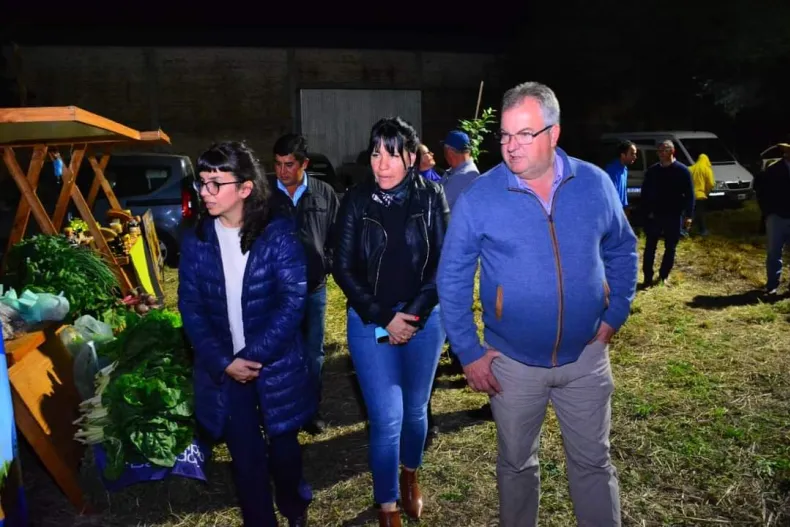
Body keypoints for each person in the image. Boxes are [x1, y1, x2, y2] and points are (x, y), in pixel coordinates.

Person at [437, 81, 638, 527]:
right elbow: (452, 277)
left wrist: (616, 312)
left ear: (554, 133)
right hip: (511, 365)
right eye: (505, 135)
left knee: (594, 463)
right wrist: (468, 351)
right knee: (516, 465)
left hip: (586, 357)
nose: (511, 146)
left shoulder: (594, 184)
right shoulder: (480, 197)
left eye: (525, 134)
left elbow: (622, 247)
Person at [179, 141, 313, 527]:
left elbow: (292, 301)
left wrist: (252, 356)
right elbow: (191, 308)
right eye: (202, 183)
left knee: (284, 450)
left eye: (215, 184)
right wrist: (225, 362)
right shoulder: (197, 240)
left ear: (245, 188)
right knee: (246, 458)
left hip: (275, 364)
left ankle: (293, 504)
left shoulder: (277, 235)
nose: (205, 192)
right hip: (227, 370)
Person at [332, 117, 449, 527]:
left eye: (393, 154)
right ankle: (387, 506)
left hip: (425, 320)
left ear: (412, 157)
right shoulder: (355, 200)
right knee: (386, 417)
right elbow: (342, 267)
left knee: (415, 409)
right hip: (371, 320)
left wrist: (412, 316)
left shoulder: (432, 196)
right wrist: (385, 317)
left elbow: (444, 263)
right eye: (376, 153)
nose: (381, 164)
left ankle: (410, 475)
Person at [270, 133, 340, 435]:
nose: (282, 171)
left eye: (289, 165)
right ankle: (284, 412)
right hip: (277, 293)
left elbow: (337, 235)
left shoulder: (324, 194)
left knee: (313, 354)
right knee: (281, 353)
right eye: (277, 164)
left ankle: (311, 411)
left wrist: (326, 262)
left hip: (313, 289)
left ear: (304, 164)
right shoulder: (265, 197)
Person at [640, 140, 695, 286]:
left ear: (672, 151)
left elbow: (690, 194)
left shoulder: (682, 171)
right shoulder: (653, 171)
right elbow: (645, 193)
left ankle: (663, 275)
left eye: (664, 150)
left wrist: (689, 215)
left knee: (670, 247)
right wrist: (646, 212)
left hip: (674, 214)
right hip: (654, 214)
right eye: (659, 151)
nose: (661, 153)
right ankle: (647, 277)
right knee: (650, 246)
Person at [754, 142, 790, 295]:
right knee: (774, 252)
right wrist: (768, 212)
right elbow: (761, 192)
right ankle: (772, 285)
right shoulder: (773, 169)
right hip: (777, 217)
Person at [440, 130, 480, 210]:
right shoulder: (459, 171)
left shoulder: (463, 176)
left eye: (444, 150)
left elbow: (436, 204)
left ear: (449, 152)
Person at [604, 140, 637, 211]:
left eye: (635, 154)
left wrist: (625, 207)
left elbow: (623, 191)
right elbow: (610, 194)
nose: (635, 157)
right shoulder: (612, 169)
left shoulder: (625, 168)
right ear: (623, 155)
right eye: (632, 154)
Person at [689, 153, 715, 236]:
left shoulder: (690, 168)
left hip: (689, 195)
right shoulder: (707, 169)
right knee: (700, 214)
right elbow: (711, 184)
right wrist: (706, 192)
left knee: (689, 213)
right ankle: (702, 231)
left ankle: (684, 229)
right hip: (700, 195)